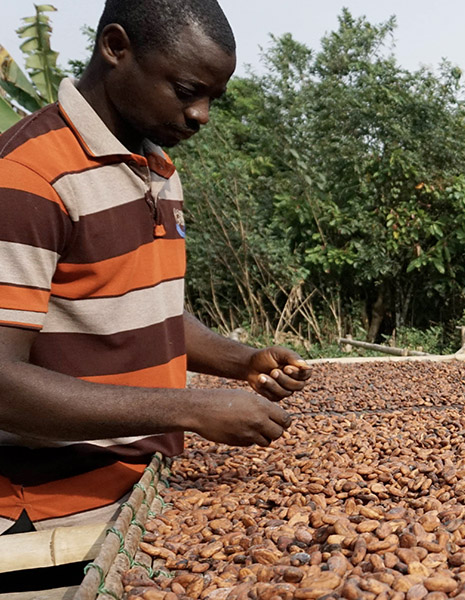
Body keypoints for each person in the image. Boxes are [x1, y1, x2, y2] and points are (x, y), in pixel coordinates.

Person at [0, 0, 310, 536]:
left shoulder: (158, 167)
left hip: (143, 490)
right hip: (48, 513)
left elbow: (143, 307)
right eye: (188, 92)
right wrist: (187, 410)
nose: (201, 116)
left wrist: (241, 361)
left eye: (214, 98)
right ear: (116, 48)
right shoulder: (28, 177)